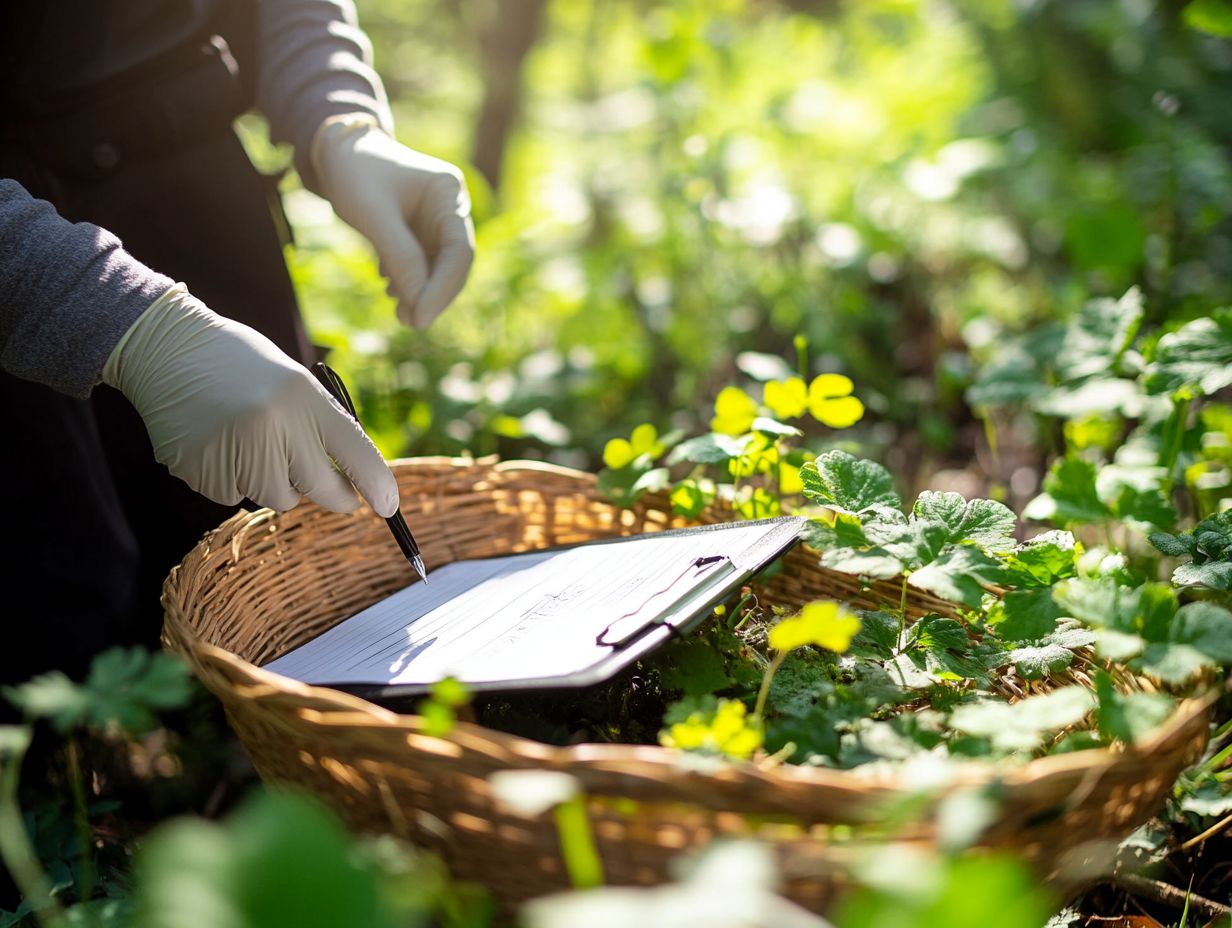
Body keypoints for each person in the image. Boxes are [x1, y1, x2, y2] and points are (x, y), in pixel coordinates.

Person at [0, 0, 475, 685]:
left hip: (195, 197)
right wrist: (129, 324)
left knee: (268, 571)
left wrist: (336, 116)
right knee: (60, 629)